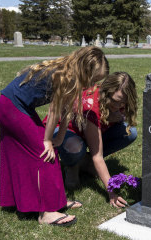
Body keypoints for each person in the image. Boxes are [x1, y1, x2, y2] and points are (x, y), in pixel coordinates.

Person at [0, 46, 109, 227]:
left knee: (49, 151)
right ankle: (46, 213)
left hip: (18, 107)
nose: (93, 85)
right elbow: (54, 110)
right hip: (10, 108)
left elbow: (65, 110)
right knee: (44, 153)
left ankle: (55, 202)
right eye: (93, 79)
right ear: (84, 70)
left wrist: (59, 137)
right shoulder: (65, 76)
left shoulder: (71, 75)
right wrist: (47, 140)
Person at [52, 72, 138, 208]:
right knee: (74, 148)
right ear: (105, 92)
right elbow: (97, 156)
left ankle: (84, 162)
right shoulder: (90, 105)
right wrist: (112, 193)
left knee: (130, 132)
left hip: (91, 131)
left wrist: (110, 117)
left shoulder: (121, 101)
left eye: (123, 102)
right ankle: (73, 165)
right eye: (115, 101)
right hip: (65, 131)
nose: (119, 105)